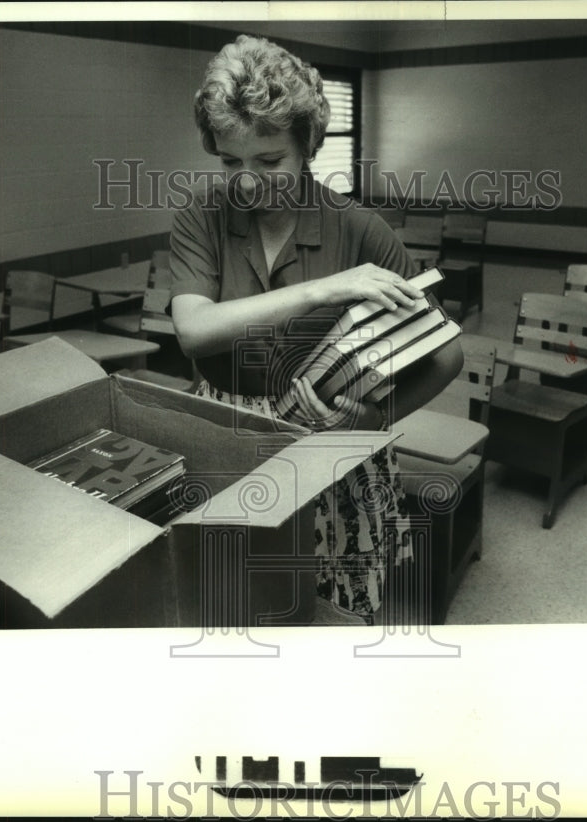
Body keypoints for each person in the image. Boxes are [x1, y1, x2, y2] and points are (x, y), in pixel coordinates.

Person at [169, 34, 463, 623]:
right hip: (227, 434)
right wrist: (328, 287)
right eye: (231, 162)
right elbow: (195, 332)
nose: (247, 182)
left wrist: (376, 418)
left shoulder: (358, 227)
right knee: (233, 601)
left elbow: (446, 353)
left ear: (307, 147)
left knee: (329, 613)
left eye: (269, 161)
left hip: (330, 448)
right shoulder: (201, 213)